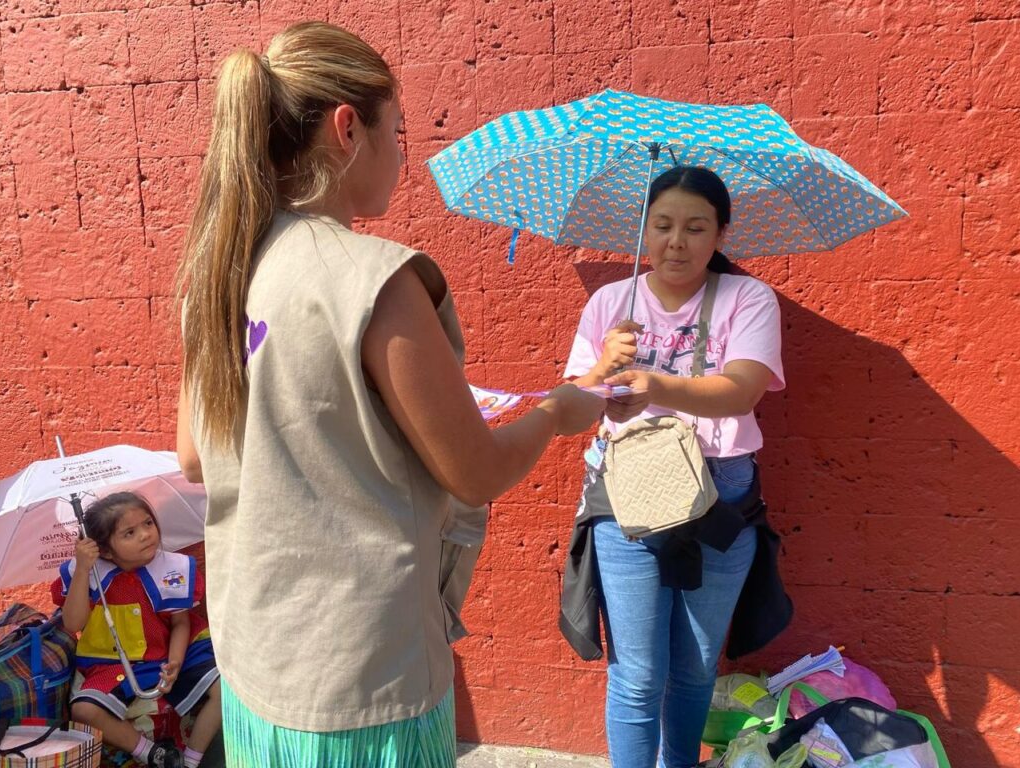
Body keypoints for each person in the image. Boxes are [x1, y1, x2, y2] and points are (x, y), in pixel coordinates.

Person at [172, 21, 605, 768]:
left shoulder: (220, 269)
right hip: (362, 677)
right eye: (398, 131)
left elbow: (194, 457)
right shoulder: (377, 278)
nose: (403, 153)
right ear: (348, 128)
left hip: (257, 661)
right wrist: (558, 413)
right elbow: (474, 472)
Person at [564, 166, 789, 768]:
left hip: (723, 498)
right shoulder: (611, 304)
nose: (676, 242)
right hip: (629, 495)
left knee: (693, 669)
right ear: (644, 230)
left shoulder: (748, 298)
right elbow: (573, 405)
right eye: (661, 225)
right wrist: (602, 368)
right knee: (638, 674)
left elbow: (742, 391)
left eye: (695, 227)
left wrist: (655, 383)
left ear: (721, 234)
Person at [53, 492, 222, 768]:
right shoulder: (92, 573)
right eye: (129, 533)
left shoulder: (171, 569)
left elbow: (180, 623)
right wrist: (83, 570)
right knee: (83, 709)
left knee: (226, 688)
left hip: (172, 650)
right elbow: (73, 624)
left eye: (148, 523)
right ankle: (153, 754)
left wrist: (176, 663)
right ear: (105, 550)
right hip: (115, 661)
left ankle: (191, 759)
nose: (145, 535)